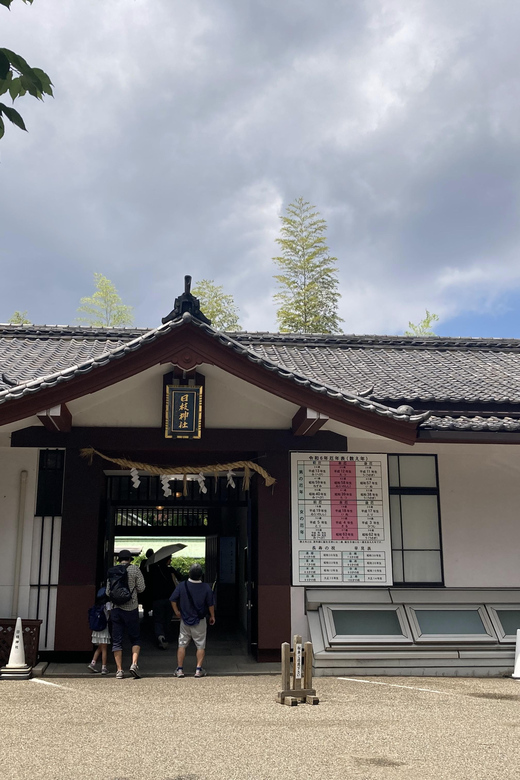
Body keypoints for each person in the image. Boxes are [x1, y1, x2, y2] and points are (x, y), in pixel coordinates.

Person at [170, 563, 215, 678]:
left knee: (182, 644)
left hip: (185, 620)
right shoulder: (206, 587)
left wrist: (176, 611)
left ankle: (180, 670)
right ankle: (198, 670)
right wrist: (212, 616)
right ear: (201, 575)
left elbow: (173, 599)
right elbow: (210, 604)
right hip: (199, 620)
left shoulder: (182, 586)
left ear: (189, 573)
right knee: (200, 645)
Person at [106, 549, 145, 679]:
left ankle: (119, 670)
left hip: (116, 608)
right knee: (135, 638)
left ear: (119, 559)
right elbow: (141, 588)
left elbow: (107, 592)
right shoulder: (135, 570)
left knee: (117, 640)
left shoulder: (112, 571)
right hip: (131, 608)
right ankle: (134, 664)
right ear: (130, 559)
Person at [150, 555, 179, 649]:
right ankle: (166, 636)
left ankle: (160, 636)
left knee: (158, 620)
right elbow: (180, 577)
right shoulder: (170, 570)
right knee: (167, 619)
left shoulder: (154, 570)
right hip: (170, 598)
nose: (171, 560)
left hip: (157, 599)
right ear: (166, 560)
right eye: (170, 559)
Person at [87, 588, 111, 675]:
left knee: (100, 647)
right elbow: (110, 614)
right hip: (104, 628)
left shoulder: (96, 605)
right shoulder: (107, 604)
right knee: (104, 649)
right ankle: (104, 667)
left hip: (97, 628)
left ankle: (92, 664)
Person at [139, 548, 154, 624]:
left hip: (147, 583)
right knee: (150, 599)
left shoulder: (144, 562)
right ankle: (147, 612)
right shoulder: (154, 563)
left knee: (146, 599)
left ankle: (146, 612)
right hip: (151, 584)